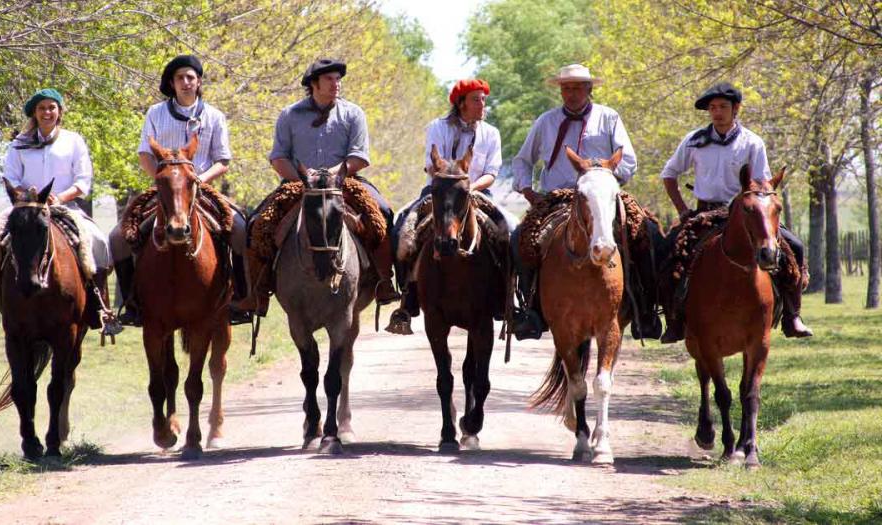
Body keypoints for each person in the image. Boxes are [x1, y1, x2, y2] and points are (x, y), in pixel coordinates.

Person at [232, 58, 400, 317]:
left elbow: (360, 156)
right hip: (297, 185)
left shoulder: (353, 113)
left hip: (345, 183)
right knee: (258, 223)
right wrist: (304, 181)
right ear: (314, 84)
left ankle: (385, 281)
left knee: (384, 213)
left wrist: (332, 174)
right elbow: (279, 158)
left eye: (338, 79)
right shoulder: (289, 114)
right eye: (330, 79)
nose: (336, 84)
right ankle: (258, 291)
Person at [510, 64, 661, 340]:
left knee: (647, 233)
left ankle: (646, 309)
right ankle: (530, 310)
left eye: (578, 87)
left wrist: (605, 181)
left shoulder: (608, 117)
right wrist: (528, 190)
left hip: (601, 194)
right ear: (560, 91)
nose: (572, 93)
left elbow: (627, 159)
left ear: (590, 89)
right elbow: (522, 160)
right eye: (566, 88)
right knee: (521, 238)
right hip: (557, 198)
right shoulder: (546, 121)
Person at [659, 82, 813, 342]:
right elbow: (669, 174)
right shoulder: (694, 140)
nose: (717, 112)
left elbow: (764, 183)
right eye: (712, 108)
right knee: (669, 251)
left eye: (722, 107)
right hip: (705, 214)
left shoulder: (752, 142)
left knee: (794, 247)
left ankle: (792, 315)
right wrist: (683, 209)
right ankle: (673, 319)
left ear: (736, 109)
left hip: (747, 213)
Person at [108, 54, 251, 326]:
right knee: (117, 237)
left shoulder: (215, 116)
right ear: (171, 84)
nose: (186, 82)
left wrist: (199, 180)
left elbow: (223, 160)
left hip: (203, 188)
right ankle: (131, 304)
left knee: (242, 230)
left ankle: (240, 300)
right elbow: (144, 155)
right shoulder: (155, 113)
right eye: (180, 78)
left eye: (191, 77)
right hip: (163, 190)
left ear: (198, 82)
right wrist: (163, 182)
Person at [0, 88, 116, 341]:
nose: (47, 112)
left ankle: (98, 308)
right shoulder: (19, 143)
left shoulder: (73, 141)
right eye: (42, 108)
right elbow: (11, 177)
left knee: (99, 241)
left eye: (52, 107)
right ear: (35, 113)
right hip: (25, 207)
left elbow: (83, 180)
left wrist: (61, 196)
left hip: (63, 207)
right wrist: (26, 195)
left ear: (59, 111)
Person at [385, 78, 516, 334]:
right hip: (439, 190)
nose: (483, 104)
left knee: (510, 230)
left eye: (483, 99)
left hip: (478, 191)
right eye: (477, 99)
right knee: (402, 228)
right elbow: (431, 163)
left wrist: (471, 189)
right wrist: (448, 182)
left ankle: (509, 300)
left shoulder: (491, 133)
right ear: (461, 103)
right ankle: (407, 297)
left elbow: (492, 171)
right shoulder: (438, 127)